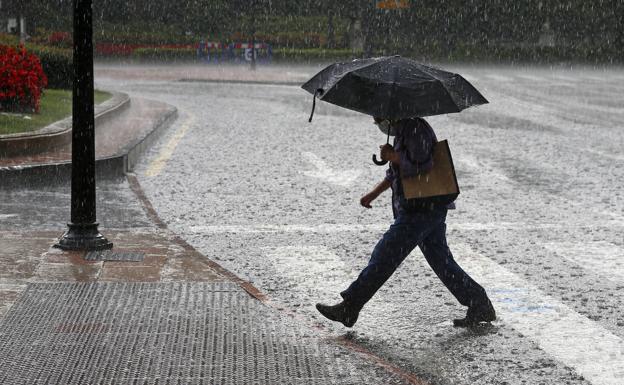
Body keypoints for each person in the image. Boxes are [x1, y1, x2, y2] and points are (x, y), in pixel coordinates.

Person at [316, 117, 496, 328]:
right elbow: (394, 174)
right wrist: (372, 194)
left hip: (421, 209)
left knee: (385, 254)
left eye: (379, 116)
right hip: (424, 208)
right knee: (442, 262)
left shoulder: (416, 129)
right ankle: (479, 303)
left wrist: (394, 156)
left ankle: (350, 306)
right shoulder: (403, 130)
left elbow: (423, 165)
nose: (377, 120)